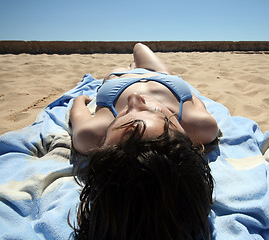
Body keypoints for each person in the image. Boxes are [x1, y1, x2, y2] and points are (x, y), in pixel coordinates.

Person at [69, 43, 219, 240]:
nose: (133, 99)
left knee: (133, 56)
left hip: (119, 80)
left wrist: (80, 100)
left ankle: (131, 67)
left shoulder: (90, 136)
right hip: (163, 77)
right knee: (139, 47)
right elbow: (195, 100)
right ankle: (135, 66)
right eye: (153, 111)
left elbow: (77, 112)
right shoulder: (203, 127)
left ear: (104, 142)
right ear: (184, 134)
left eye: (120, 118)